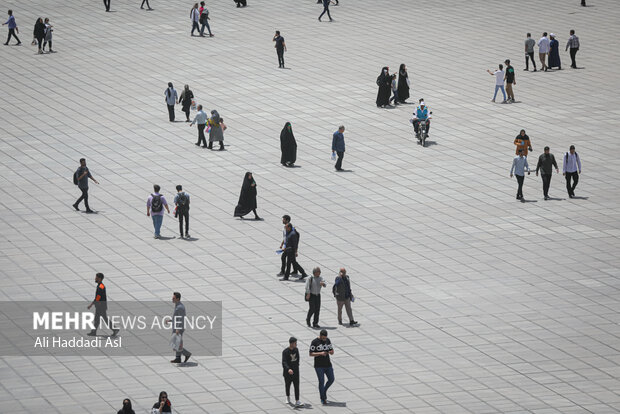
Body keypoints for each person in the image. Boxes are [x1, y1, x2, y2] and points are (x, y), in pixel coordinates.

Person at [86, 273, 119, 337]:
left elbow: (97, 298)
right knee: (97, 319)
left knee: (103, 319)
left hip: (100, 307)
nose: (95, 278)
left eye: (96, 278)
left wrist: (91, 304)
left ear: (100, 279)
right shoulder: (101, 286)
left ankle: (115, 329)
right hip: (101, 306)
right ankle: (94, 331)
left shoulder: (100, 287)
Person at [310, 329, 335, 405]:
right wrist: (320, 353)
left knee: (331, 379)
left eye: (325, 338)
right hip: (319, 366)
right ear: (320, 336)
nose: (324, 339)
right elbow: (311, 354)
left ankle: (324, 391)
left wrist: (330, 352)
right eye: (323, 338)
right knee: (321, 381)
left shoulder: (328, 340)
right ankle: (323, 398)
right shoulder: (314, 342)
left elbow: (332, 351)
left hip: (328, 364)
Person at [170, 292, 192, 363]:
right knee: (176, 343)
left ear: (178, 299)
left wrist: (178, 329)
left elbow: (181, 318)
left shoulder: (180, 307)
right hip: (176, 327)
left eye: (173, 298)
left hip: (178, 328)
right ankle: (178, 358)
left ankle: (187, 354)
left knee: (176, 344)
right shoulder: (177, 305)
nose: (172, 299)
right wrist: (170, 320)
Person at [282, 337, 303, 407]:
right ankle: (287, 397)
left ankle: (297, 400)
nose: (296, 344)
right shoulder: (285, 352)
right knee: (287, 385)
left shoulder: (296, 350)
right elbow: (284, 362)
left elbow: (298, 359)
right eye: (295, 343)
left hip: (296, 371)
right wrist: (288, 369)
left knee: (296, 386)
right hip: (288, 373)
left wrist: (296, 367)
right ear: (291, 343)